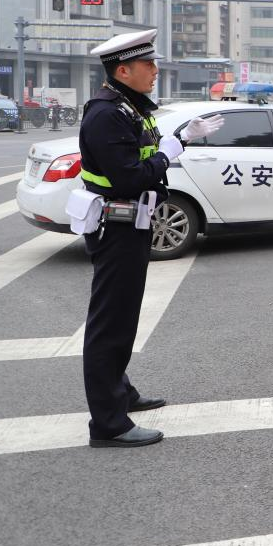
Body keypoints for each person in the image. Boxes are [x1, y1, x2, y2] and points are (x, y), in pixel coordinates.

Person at [78, 29, 222, 448]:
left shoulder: (127, 108)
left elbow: (144, 153)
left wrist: (178, 138)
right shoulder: (106, 114)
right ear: (123, 70)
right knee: (110, 326)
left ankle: (120, 394)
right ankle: (108, 424)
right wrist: (175, 147)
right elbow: (130, 175)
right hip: (117, 226)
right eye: (148, 65)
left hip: (132, 224)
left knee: (123, 320)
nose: (155, 71)